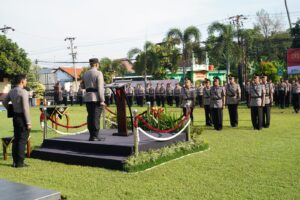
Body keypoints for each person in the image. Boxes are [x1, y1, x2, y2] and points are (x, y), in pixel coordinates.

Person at [3, 74, 31, 168]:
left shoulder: (12, 91)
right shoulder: (23, 92)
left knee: (16, 139)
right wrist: (28, 122)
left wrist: (10, 110)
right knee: (22, 140)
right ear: (22, 81)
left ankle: (15, 162)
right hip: (22, 117)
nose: (26, 82)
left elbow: (4, 101)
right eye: (26, 80)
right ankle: (20, 163)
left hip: (15, 117)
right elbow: (25, 108)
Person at [82, 58, 105, 141]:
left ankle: (91, 135)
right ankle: (95, 136)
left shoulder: (85, 73)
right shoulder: (99, 73)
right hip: (96, 98)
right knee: (96, 117)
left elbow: (82, 86)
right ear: (96, 64)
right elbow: (100, 88)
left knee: (90, 116)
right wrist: (102, 100)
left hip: (88, 97)